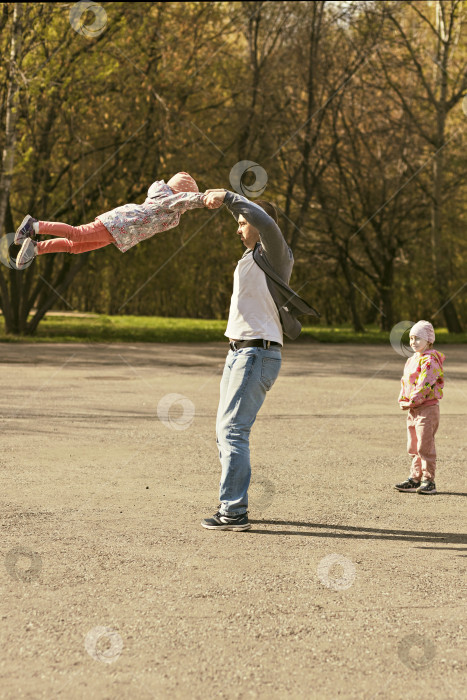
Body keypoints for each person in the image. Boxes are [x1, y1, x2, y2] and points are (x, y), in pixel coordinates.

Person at [200, 188, 319, 531]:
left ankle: (234, 511)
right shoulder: (249, 257)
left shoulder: (275, 253)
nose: (237, 228)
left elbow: (265, 221)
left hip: (257, 352)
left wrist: (227, 196)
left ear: (255, 222)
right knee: (224, 431)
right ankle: (231, 506)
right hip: (238, 353)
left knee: (233, 430)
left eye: (241, 222)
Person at [14, 172, 208, 269]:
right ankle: (34, 226)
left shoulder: (172, 209)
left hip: (121, 234)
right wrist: (204, 199)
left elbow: (182, 202)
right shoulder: (167, 199)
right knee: (77, 233)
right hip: (120, 223)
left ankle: (36, 247)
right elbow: (185, 200)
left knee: (75, 246)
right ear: (179, 193)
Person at [394, 320, 445, 495]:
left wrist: (413, 399)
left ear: (429, 340)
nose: (413, 342)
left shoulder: (430, 360)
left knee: (425, 445)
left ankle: (428, 480)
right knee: (414, 445)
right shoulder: (412, 359)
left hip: (427, 408)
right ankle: (415, 477)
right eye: (411, 338)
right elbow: (405, 381)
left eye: (418, 339)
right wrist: (403, 398)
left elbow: (425, 384)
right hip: (413, 409)